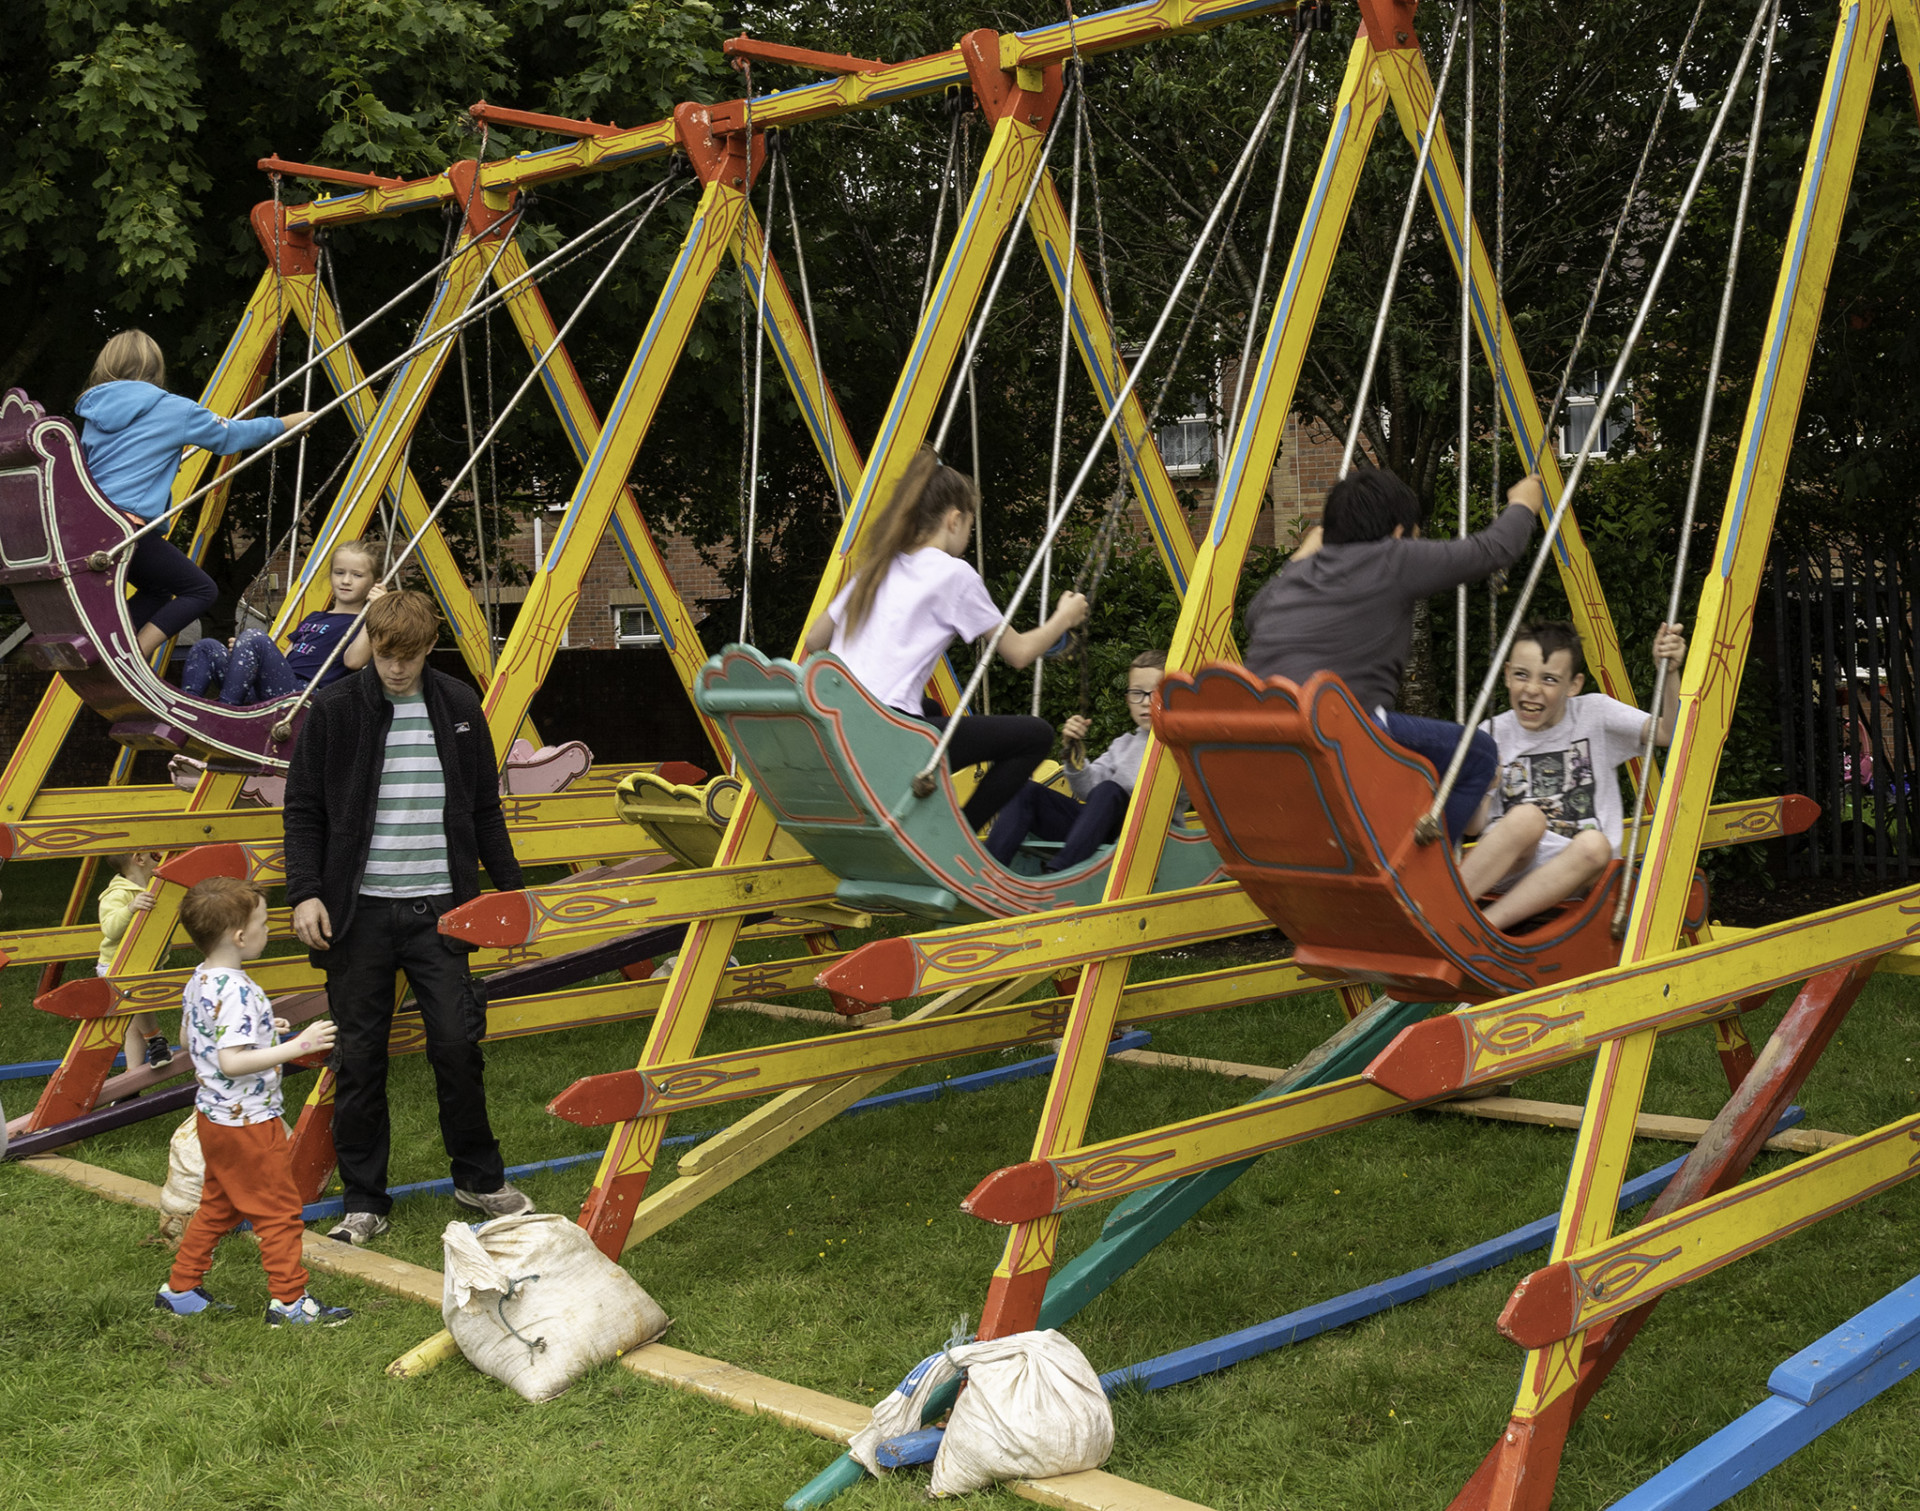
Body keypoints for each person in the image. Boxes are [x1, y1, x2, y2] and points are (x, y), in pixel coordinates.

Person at [283, 588, 532, 1246]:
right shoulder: (334, 708)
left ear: (428, 648)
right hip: (356, 917)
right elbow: (303, 808)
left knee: (456, 1042)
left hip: (438, 912)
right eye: (386, 654)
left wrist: (510, 892)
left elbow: (483, 808)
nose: (396, 667)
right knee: (360, 1057)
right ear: (371, 644)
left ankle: (478, 1178)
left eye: (410, 655)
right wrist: (305, 890)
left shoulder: (457, 705)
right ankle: (364, 1200)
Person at [1243, 465, 1546, 842]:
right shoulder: (1393, 558)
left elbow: (1254, 616)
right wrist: (1523, 505)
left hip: (1268, 733)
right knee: (1479, 754)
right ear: (1399, 532)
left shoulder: (1299, 573)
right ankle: (1426, 864)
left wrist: (1297, 559)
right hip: (1341, 730)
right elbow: (1494, 549)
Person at [802, 447, 1089, 832]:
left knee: (931, 706)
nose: (969, 536)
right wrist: (1062, 618)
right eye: (970, 526)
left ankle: (927, 814)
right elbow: (1018, 653)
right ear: (954, 520)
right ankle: (964, 833)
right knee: (1035, 736)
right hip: (891, 734)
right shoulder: (954, 574)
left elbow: (815, 639)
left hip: (841, 724)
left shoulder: (878, 567)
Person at [154, 875, 350, 1326]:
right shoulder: (239, 989)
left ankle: (181, 1289)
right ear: (240, 936)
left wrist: (264, 1029)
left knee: (219, 1204)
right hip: (249, 1122)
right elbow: (231, 1061)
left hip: (214, 1118)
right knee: (280, 1211)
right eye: (263, 922)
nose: (268, 929)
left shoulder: (202, 978)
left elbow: (191, 1035)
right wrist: (299, 1045)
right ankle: (289, 1302)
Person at [74, 330, 312, 658]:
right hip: (130, 528)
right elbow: (230, 435)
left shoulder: (93, 413)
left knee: (157, 590)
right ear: (156, 369)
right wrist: (285, 424)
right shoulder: (172, 408)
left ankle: (107, 642)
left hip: (96, 525)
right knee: (201, 590)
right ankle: (131, 655)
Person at [1458, 619, 1687, 931]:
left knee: (1594, 844)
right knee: (1527, 818)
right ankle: (1443, 912)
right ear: (1507, 674)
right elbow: (1473, 826)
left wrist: (1669, 673)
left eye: (1549, 679)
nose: (1532, 689)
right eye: (1522, 675)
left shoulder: (1595, 713)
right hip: (1511, 867)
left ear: (1574, 685)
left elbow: (1669, 733)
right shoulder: (1492, 733)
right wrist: (1487, 784)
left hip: (1580, 870)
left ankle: (1482, 930)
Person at [985, 650, 1167, 871]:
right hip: (1098, 829)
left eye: (1156, 693)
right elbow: (1087, 790)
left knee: (1110, 790)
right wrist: (1073, 751)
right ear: (1127, 698)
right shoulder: (1123, 745)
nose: (1146, 702)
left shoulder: (1181, 744)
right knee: (1026, 791)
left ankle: (1059, 871)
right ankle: (989, 870)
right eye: (1137, 693)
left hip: (1145, 835)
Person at [182, 538, 384, 706]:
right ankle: (187, 712)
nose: (346, 581)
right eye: (339, 572)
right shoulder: (315, 617)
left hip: (303, 699)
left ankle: (226, 710)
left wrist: (376, 611)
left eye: (357, 575)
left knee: (254, 637)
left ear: (375, 583)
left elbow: (354, 662)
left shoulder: (364, 623)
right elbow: (285, 660)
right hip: (279, 688)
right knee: (206, 647)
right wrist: (246, 654)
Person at [96, 850, 173, 1070]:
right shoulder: (117, 894)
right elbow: (110, 928)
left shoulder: (155, 886)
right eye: (156, 855)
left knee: (131, 1026)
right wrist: (130, 908)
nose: (161, 857)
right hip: (116, 965)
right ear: (139, 859)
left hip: (146, 961)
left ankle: (132, 1078)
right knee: (136, 998)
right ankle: (156, 1038)